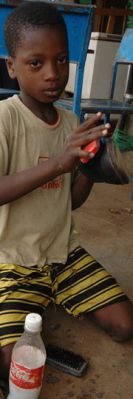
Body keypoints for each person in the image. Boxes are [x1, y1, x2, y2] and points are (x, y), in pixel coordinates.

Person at [0, 1, 133, 388]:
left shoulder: (71, 123)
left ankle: (50, 299)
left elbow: (70, 201)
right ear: (12, 66)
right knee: (13, 367)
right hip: (13, 259)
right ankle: (32, 305)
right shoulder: (6, 120)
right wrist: (58, 163)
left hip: (63, 253)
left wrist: (92, 171)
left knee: (125, 325)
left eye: (61, 60)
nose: (53, 74)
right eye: (36, 63)